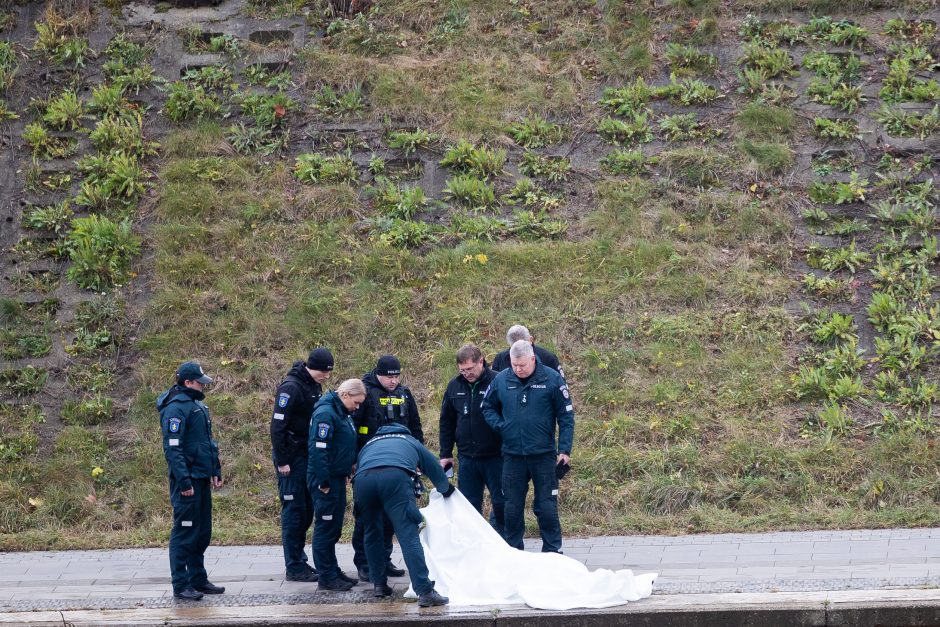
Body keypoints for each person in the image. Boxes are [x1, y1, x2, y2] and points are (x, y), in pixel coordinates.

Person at [482, 341, 575, 554]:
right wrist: (500, 426)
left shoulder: (552, 379)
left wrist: (564, 450)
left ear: (532, 359)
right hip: (512, 456)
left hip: (543, 455)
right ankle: (514, 551)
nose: (518, 369)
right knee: (511, 508)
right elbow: (487, 406)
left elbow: (566, 416)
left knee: (546, 506)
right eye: (514, 365)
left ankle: (552, 551)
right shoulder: (501, 379)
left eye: (522, 365)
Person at [353, 423, 455, 606]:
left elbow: (359, 467)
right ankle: (424, 591)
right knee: (408, 535)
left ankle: (379, 585)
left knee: (372, 533)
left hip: (363, 482)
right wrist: (445, 489)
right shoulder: (410, 441)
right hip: (395, 479)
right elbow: (433, 467)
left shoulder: (369, 444)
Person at [157, 361, 225, 601]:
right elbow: (173, 450)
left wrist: (215, 469)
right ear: (187, 383)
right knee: (184, 533)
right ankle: (181, 584)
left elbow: (208, 443)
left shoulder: (197, 405)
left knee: (202, 532)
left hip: (201, 477)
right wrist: (184, 482)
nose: (203, 387)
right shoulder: (176, 408)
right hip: (187, 481)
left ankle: (198, 579)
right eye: (199, 383)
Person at [351, 355, 422, 581]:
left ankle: (384, 558)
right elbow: (352, 429)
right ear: (378, 374)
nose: (393, 381)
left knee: (391, 516)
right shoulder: (365, 394)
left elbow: (415, 426)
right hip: (369, 462)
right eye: (388, 377)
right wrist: (354, 461)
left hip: (399, 463)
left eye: (396, 376)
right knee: (367, 517)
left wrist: (417, 456)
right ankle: (364, 563)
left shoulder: (404, 394)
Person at [270, 348, 334, 583]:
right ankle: (294, 566)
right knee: (294, 512)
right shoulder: (291, 387)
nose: (326, 376)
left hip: (305, 455)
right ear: (311, 367)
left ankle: (300, 559)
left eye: (329, 373)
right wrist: (283, 460)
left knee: (306, 510)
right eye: (323, 372)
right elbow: (277, 427)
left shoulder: (313, 385)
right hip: (291, 458)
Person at [438, 343, 504, 537]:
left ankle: (507, 545)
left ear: (481, 362)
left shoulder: (498, 381)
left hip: (496, 457)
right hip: (467, 458)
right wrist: (445, 454)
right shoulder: (454, 385)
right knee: (468, 507)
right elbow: (446, 422)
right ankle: (474, 546)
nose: (467, 373)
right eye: (462, 370)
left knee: (502, 504)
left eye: (470, 369)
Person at [307, 379, 366, 592]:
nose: (357, 407)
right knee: (325, 528)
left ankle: (332, 569)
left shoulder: (341, 413)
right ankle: (326, 577)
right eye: (356, 402)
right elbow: (318, 450)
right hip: (326, 480)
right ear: (345, 395)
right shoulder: (326, 414)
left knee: (334, 528)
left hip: (337, 477)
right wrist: (323, 481)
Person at [491, 324, 563, 377]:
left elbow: (560, 385)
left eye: (523, 346)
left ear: (531, 340)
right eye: (515, 348)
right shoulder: (500, 358)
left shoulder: (548, 358)